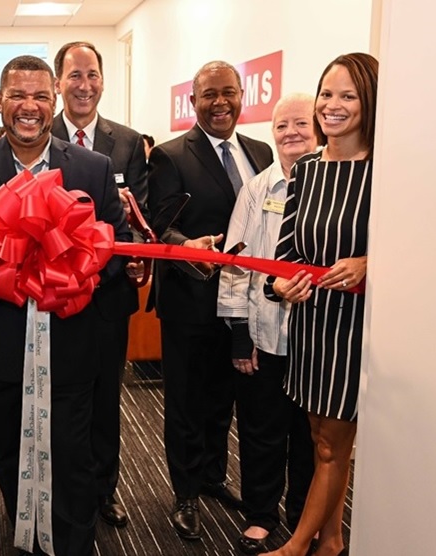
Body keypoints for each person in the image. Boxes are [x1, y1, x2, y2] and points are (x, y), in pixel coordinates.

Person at [0, 55, 130, 555]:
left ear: (55, 101)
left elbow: (117, 246)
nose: (29, 107)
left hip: (71, 340)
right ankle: (28, 538)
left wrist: (74, 280)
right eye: (17, 96)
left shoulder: (93, 168)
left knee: (70, 454)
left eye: (41, 96)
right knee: (8, 449)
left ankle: (72, 545)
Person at [147, 60, 273, 544]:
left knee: (224, 396)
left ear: (241, 95)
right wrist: (187, 249)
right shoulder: (171, 155)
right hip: (191, 300)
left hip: (245, 304)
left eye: (228, 93)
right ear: (192, 101)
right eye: (208, 96)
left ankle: (213, 476)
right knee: (186, 401)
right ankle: (184, 494)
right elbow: (160, 227)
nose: (220, 103)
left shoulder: (261, 151)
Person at [261, 53, 377, 556]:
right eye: (327, 94)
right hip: (311, 323)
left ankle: (296, 547)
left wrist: (372, 262)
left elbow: (424, 250)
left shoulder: (386, 169)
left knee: (332, 443)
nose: (332, 106)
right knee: (321, 436)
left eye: (347, 96)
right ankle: (331, 541)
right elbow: (286, 254)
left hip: (357, 328)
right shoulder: (306, 168)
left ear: (369, 101)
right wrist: (281, 286)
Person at [50, 40, 148, 528]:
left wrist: (130, 258)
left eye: (92, 75)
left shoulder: (128, 142)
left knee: (105, 399)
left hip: (107, 297)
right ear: (57, 82)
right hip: (50, 297)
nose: (83, 85)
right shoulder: (35, 134)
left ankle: (104, 488)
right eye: (74, 75)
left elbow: (138, 222)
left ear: (103, 81)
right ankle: (55, 486)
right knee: (54, 398)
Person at [217, 94, 317, 554]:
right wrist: (239, 333)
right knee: (261, 431)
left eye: (301, 123)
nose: (291, 132)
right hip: (265, 335)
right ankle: (261, 514)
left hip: (318, 342)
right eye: (281, 125)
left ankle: (304, 517)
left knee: (310, 439)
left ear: (318, 127)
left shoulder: (333, 190)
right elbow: (235, 265)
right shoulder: (256, 190)